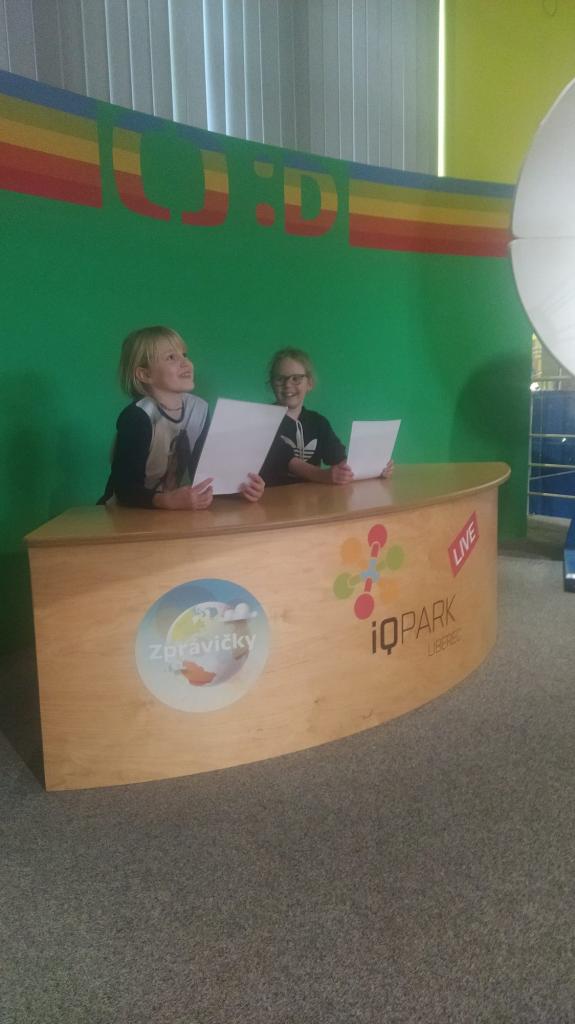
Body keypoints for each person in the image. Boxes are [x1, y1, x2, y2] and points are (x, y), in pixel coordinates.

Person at [100, 325, 265, 509]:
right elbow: (124, 489)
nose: (186, 363)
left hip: (167, 513)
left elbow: (201, 473)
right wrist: (166, 500)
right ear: (145, 374)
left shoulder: (199, 409)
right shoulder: (138, 417)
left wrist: (237, 488)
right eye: (171, 357)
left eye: (184, 355)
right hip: (122, 513)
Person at [260, 348, 354, 487]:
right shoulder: (262, 422)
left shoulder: (319, 422)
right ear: (272, 384)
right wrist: (324, 475)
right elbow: (287, 460)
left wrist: (375, 467)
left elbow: (340, 459)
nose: (287, 385)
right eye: (280, 379)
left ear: (309, 383)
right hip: (273, 498)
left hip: (313, 498)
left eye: (296, 379)